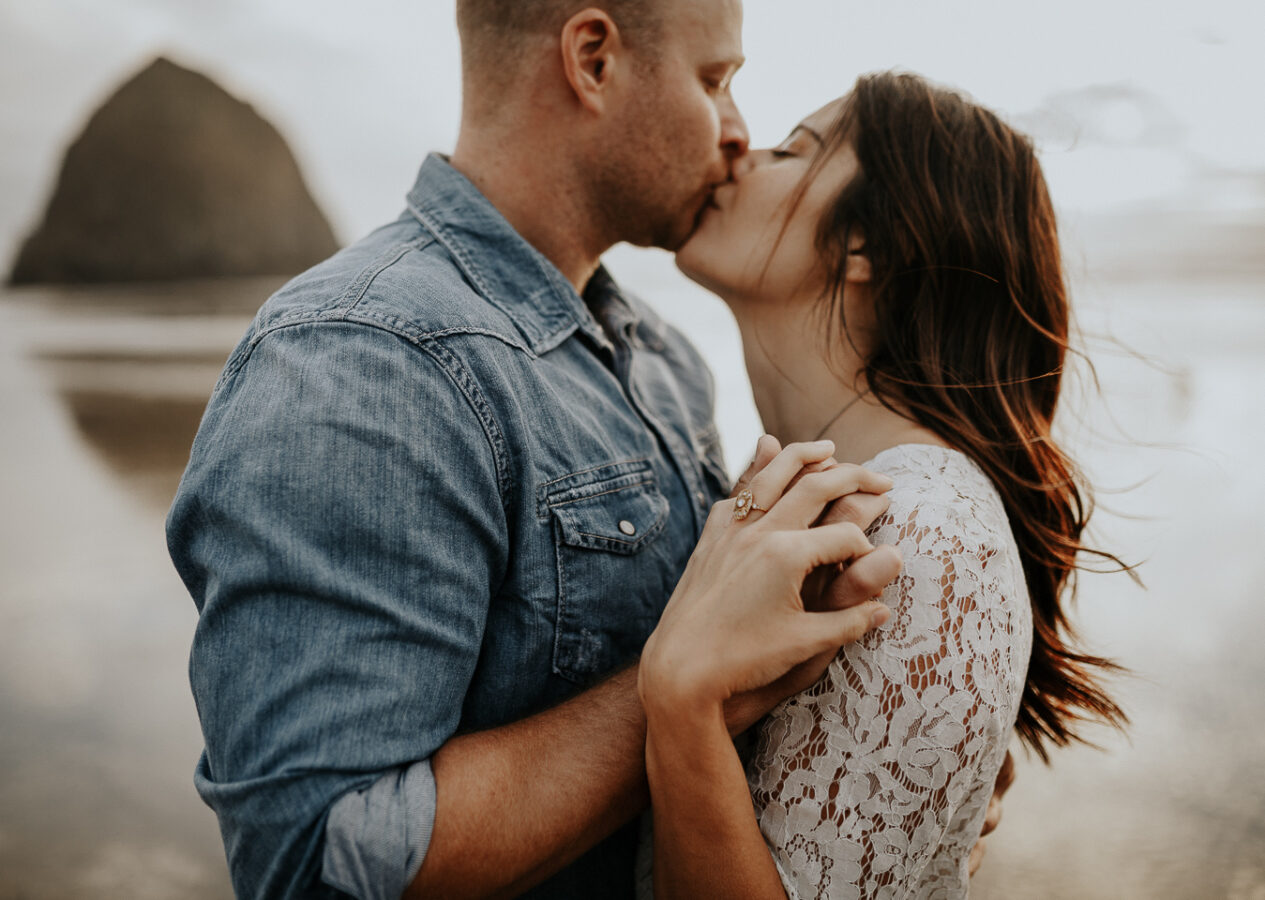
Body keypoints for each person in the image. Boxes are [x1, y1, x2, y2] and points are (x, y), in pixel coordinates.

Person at [166, 2, 915, 897]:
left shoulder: (665, 359)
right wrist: (681, 687)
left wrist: (888, 779)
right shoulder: (358, 360)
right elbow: (322, 860)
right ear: (593, 58)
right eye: (713, 81)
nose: (736, 131)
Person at [636, 71, 1128, 898]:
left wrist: (680, 712)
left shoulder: (921, 534)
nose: (739, 152)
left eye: (791, 150)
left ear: (868, 244)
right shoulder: (809, 493)